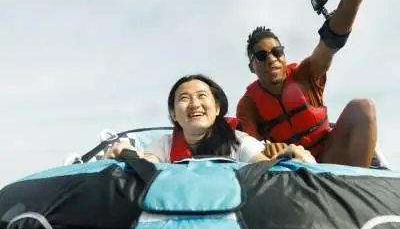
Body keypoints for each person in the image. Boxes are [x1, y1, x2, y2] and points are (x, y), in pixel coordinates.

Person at [236, 0, 377, 167]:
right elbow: (249, 147)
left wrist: (352, 1)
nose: (271, 58)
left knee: (362, 108)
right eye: (261, 55)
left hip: (332, 158)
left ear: (284, 55)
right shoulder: (248, 104)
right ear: (252, 66)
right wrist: (269, 148)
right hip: (294, 169)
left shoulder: (306, 74)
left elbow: (330, 43)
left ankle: (356, 190)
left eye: (276, 51)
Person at [105, 74, 316, 163]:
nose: (195, 104)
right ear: (173, 114)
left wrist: (289, 157)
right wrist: (126, 154)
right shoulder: (164, 145)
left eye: (202, 96)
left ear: (216, 108)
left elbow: (263, 166)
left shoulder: (238, 142)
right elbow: (146, 161)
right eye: (184, 98)